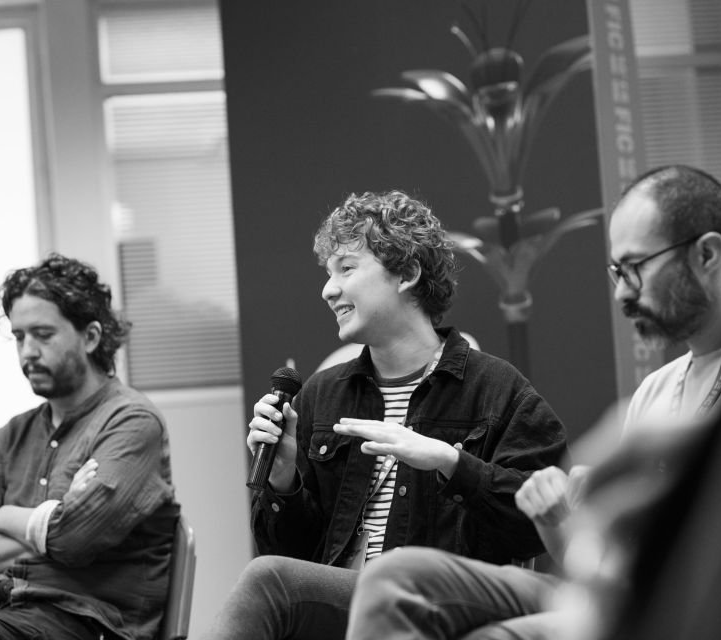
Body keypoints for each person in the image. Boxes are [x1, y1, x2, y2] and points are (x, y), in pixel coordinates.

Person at [344, 165, 721, 640]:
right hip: (623, 595)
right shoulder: (657, 391)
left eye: (635, 268)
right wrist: (558, 519)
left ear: (708, 253)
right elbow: (595, 566)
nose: (623, 292)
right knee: (396, 577)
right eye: (615, 272)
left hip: (694, 605)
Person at [201, 190, 568, 640]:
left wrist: (453, 464)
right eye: (327, 272)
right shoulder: (323, 393)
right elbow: (292, 551)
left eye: (347, 268)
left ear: (407, 274)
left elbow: (538, 526)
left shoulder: (497, 390)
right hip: (341, 608)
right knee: (268, 575)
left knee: (267, 581)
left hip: (430, 606)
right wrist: (283, 481)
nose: (328, 289)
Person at [0, 254, 179, 640]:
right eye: (20, 336)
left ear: (90, 337)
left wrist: (5, 517)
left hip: (84, 616)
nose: (27, 352)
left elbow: (71, 540)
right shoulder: (13, 433)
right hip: (7, 594)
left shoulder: (132, 421)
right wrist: (48, 519)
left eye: (43, 334)